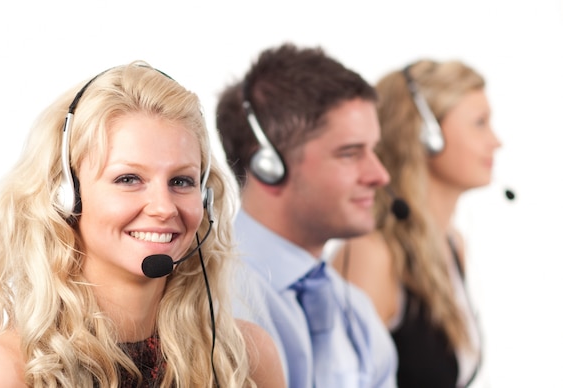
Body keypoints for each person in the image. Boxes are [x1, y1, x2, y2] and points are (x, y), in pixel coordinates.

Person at [0, 61, 285, 387]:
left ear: (205, 198)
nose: (163, 207)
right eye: (129, 178)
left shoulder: (245, 360)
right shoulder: (6, 372)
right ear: (66, 196)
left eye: (182, 181)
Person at [215, 43, 398, 388]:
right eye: (349, 153)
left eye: (372, 151)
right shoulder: (207, 300)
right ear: (268, 167)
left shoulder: (355, 310)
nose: (380, 175)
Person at [331, 59, 501, 387]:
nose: (496, 141)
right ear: (427, 135)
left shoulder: (452, 243)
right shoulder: (372, 255)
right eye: (480, 123)